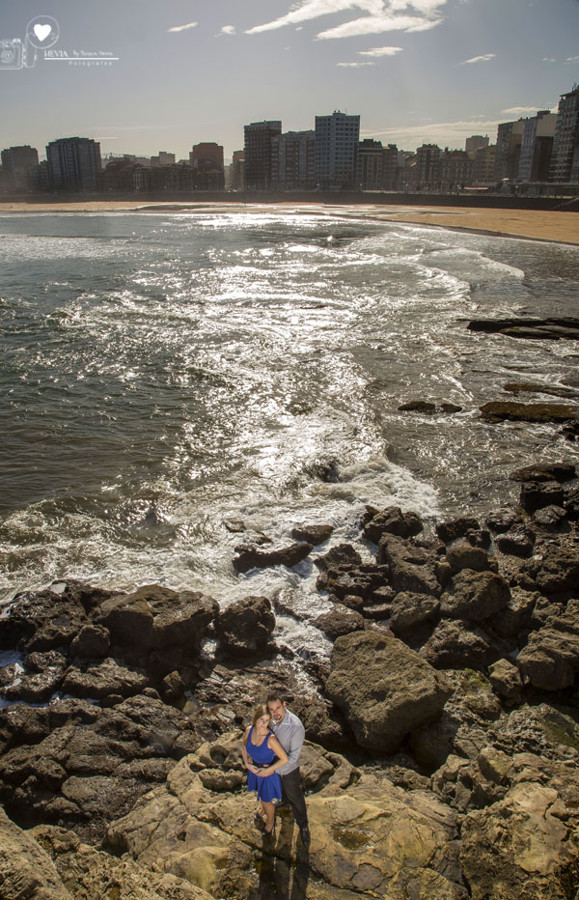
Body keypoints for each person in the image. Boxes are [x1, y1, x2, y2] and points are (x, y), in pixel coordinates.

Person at [267, 692, 310, 846]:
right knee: (280, 789)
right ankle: (283, 800)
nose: (275, 713)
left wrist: (275, 770)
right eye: (271, 710)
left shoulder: (296, 726)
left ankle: (303, 825)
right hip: (275, 763)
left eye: (278, 708)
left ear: (284, 705)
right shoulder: (270, 719)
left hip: (290, 768)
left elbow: (293, 756)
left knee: (295, 796)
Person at [241, 703, 288, 837]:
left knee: (267, 801)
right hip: (255, 771)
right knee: (262, 796)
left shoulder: (270, 739)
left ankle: (270, 822)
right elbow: (244, 747)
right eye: (262, 720)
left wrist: (269, 771)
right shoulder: (249, 730)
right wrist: (247, 764)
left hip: (267, 775)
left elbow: (285, 759)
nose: (264, 724)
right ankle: (263, 810)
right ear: (256, 718)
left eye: (267, 721)